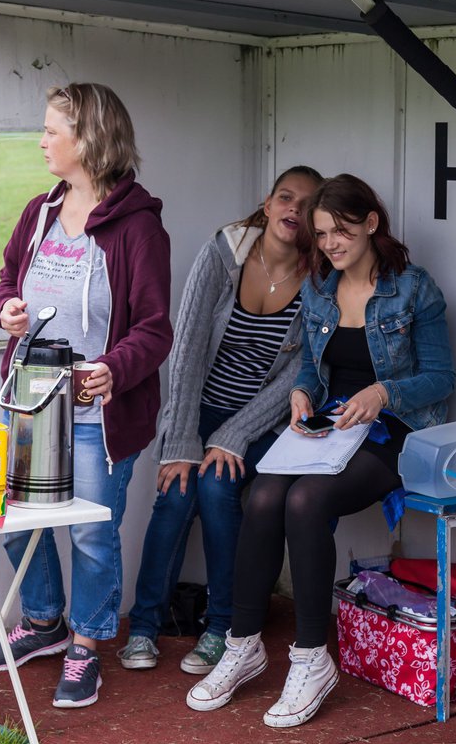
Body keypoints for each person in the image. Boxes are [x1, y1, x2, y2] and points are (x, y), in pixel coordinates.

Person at [186, 174, 455, 728]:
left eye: (342, 230)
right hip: (333, 426)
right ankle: (243, 643)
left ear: (372, 223)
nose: (331, 243)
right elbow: (312, 365)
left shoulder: (414, 289)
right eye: (323, 233)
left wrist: (383, 394)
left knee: (306, 501)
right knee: (262, 495)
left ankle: (311, 658)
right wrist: (304, 391)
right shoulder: (320, 289)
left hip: (397, 433)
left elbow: (441, 378)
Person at [0, 82, 172, 708]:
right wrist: (6, 309)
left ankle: (86, 647)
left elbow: (155, 328)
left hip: (97, 410)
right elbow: (8, 276)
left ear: (88, 139)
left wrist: (115, 369)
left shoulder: (139, 227)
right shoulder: (38, 211)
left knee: (93, 533)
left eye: (51, 131)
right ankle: (44, 622)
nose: (41, 141)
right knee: (18, 524)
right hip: (30, 401)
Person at [118, 166, 323, 676]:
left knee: (215, 486)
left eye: (307, 203)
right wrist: (181, 439)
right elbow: (185, 350)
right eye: (286, 197)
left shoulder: (320, 279)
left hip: (262, 423)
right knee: (176, 492)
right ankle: (144, 625)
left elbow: (302, 371)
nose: (293, 209)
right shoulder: (223, 254)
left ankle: (225, 629)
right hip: (198, 408)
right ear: (269, 202)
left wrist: (234, 434)